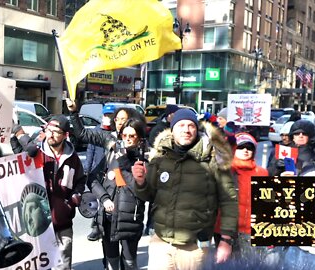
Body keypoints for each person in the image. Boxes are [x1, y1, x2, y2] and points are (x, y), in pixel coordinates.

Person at [131, 109, 238, 269]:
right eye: (181, 125)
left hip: (194, 248)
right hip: (161, 243)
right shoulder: (160, 156)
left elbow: (229, 201)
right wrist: (140, 182)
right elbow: (149, 195)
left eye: (191, 125)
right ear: (172, 129)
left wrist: (226, 240)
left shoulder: (214, 158)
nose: (186, 130)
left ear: (197, 129)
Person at [66, 99, 146, 270]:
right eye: (116, 119)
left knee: (130, 263)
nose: (119, 123)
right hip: (108, 216)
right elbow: (82, 135)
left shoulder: (142, 154)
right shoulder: (110, 142)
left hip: (130, 219)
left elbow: (143, 189)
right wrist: (74, 112)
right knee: (110, 261)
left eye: (123, 120)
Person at [19, 114, 86, 270]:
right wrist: (17, 132)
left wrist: (73, 201)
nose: (51, 134)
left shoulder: (72, 157)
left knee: (63, 266)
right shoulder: (36, 153)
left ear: (65, 135)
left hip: (63, 224)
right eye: (49, 130)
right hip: (38, 226)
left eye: (56, 131)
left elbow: (80, 181)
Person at [228, 133, 270, 260]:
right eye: (241, 147)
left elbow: (267, 201)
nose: (245, 150)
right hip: (228, 230)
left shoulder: (262, 172)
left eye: (249, 147)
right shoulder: (225, 170)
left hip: (251, 230)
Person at [85, 104, 115, 242]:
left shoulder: (116, 133)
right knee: (98, 199)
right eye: (106, 115)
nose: (108, 118)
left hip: (111, 172)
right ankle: (96, 227)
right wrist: (87, 169)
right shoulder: (96, 131)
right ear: (102, 116)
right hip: (97, 171)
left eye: (111, 116)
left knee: (108, 199)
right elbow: (90, 151)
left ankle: (102, 226)